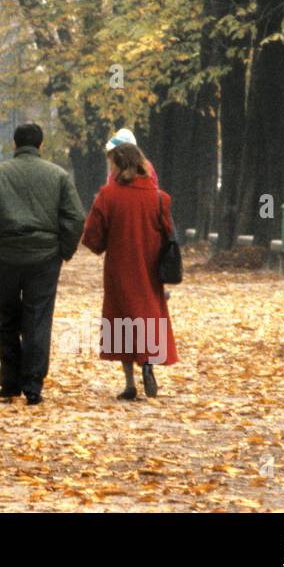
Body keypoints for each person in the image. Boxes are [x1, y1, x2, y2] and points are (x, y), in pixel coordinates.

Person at [0, 123, 85, 405]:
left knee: (7, 315)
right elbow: (75, 217)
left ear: (14, 145)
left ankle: (9, 383)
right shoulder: (58, 176)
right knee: (38, 318)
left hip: (5, 255)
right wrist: (65, 250)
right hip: (45, 256)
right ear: (41, 146)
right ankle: (33, 384)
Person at [80, 141, 179, 400]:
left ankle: (129, 383)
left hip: (119, 265)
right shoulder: (159, 197)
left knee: (121, 317)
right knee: (148, 313)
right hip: (150, 265)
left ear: (118, 165)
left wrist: (101, 244)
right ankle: (148, 363)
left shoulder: (108, 196)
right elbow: (168, 231)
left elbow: (92, 235)